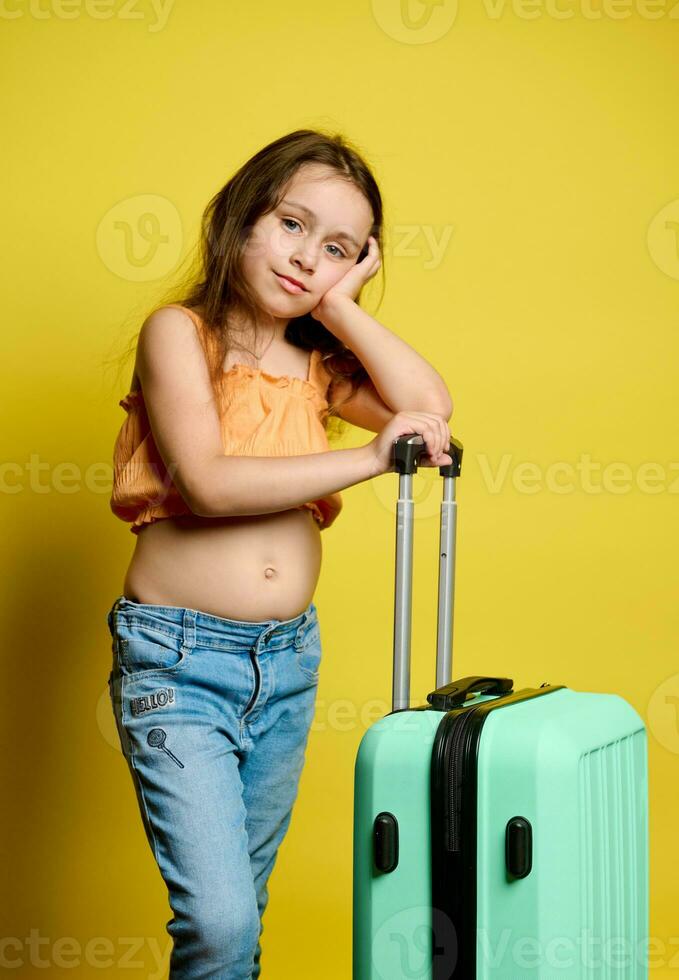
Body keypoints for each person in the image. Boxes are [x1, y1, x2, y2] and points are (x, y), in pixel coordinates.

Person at [106, 128, 454, 979]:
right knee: (219, 924)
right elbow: (212, 484)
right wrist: (373, 457)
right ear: (240, 219)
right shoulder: (178, 334)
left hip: (285, 664)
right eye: (292, 225)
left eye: (336, 249)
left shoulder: (317, 364)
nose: (305, 258)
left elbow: (431, 406)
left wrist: (337, 309)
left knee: (243, 914)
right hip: (178, 664)